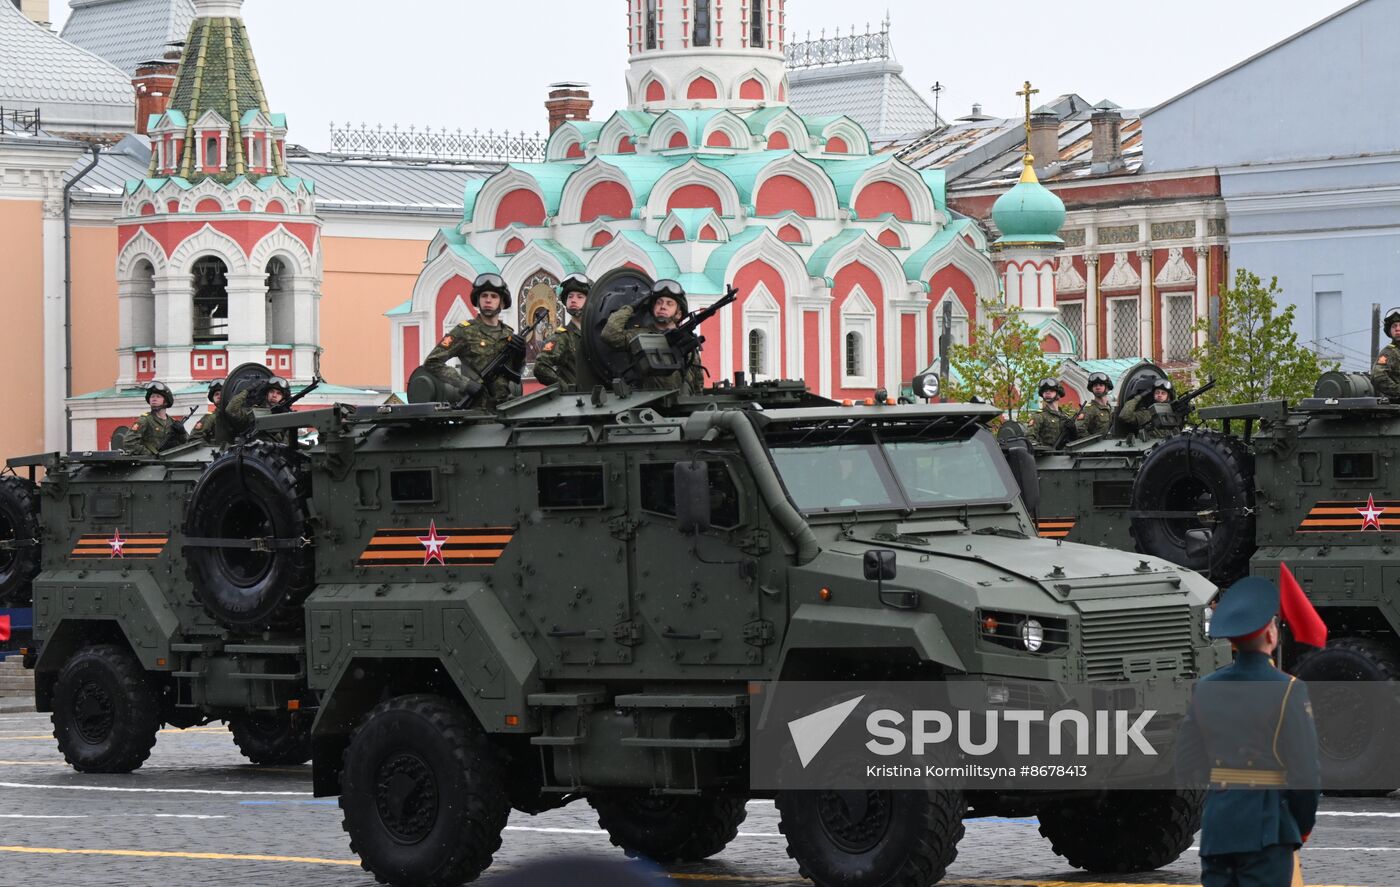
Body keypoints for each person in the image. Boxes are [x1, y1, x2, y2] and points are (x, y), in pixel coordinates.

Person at [1175, 576, 1320, 887]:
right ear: (1271, 633)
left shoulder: (1205, 688)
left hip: (1218, 830)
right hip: (1267, 831)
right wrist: (1300, 827)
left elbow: (1186, 764)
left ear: (1232, 641)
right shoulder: (1289, 690)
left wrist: (1226, 787)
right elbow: (1305, 773)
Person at [420, 273, 523, 409]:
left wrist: (521, 356)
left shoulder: (508, 334)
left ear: (502, 302)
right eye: (484, 296)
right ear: (478, 300)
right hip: (476, 411)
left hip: (505, 408)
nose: (488, 300)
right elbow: (432, 362)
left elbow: (516, 373)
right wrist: (465, 383)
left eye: (494, 296)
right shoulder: (464, 331)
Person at [601, 278, 705, 392]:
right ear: (652, 308)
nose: (663, 306)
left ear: (679, 313)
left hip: (680, 403)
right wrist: (631, 307)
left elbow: (697, 380)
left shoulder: (686, 340)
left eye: (669, 304)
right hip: (647, 403)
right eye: (659, 302)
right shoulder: (639, 336)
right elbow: (610, 334)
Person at [534, 273, 591, 389]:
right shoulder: (562, 337)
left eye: (580, 297)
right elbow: (540, 367)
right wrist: (565, 389)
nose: (573, 300)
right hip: (576, 402)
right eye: (570, 297)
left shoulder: (596, 334)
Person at [121, 381, 189, 455]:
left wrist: (182, 433)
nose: (154, 399)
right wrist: (149, 454)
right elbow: (129, 442)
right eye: (152, 396)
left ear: (165, 401)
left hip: (170, 461)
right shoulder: (145, 420)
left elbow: (189, 444)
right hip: (149, 463)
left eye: (158, 396)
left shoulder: (173, 422)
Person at [223, 376, 294, 443]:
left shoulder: (286, 416)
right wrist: (247, 391)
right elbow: (231, 410)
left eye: (279, 393)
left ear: (283, 398)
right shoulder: (255, 411)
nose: (274, 395)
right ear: (266, 394)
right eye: (271, 391)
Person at [1029, 378, 1072, 449]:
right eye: (1045, 391)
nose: (1047, 393)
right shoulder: (1039, 416)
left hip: (1066, 456)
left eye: (1051, 391)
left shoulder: (1066, 417)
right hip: (1047, 456)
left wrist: (1074, 431)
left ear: (1058, 394)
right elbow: (1029, 437)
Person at [1370, 307, 1400, 399]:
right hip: (1394, 408)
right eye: (1394, 326)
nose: (1398, 329)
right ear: (1389, 331)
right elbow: (1378, 377)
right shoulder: (1388, 353)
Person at [1075, 372, 1114, 437]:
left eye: (1101, 385)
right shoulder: (1089, 409)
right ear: (1092, 389)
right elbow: (1079, 429)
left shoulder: (1111, 408)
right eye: (1095, 386)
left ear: (1107, 388)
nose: (1097, 387)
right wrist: (1094, 442)